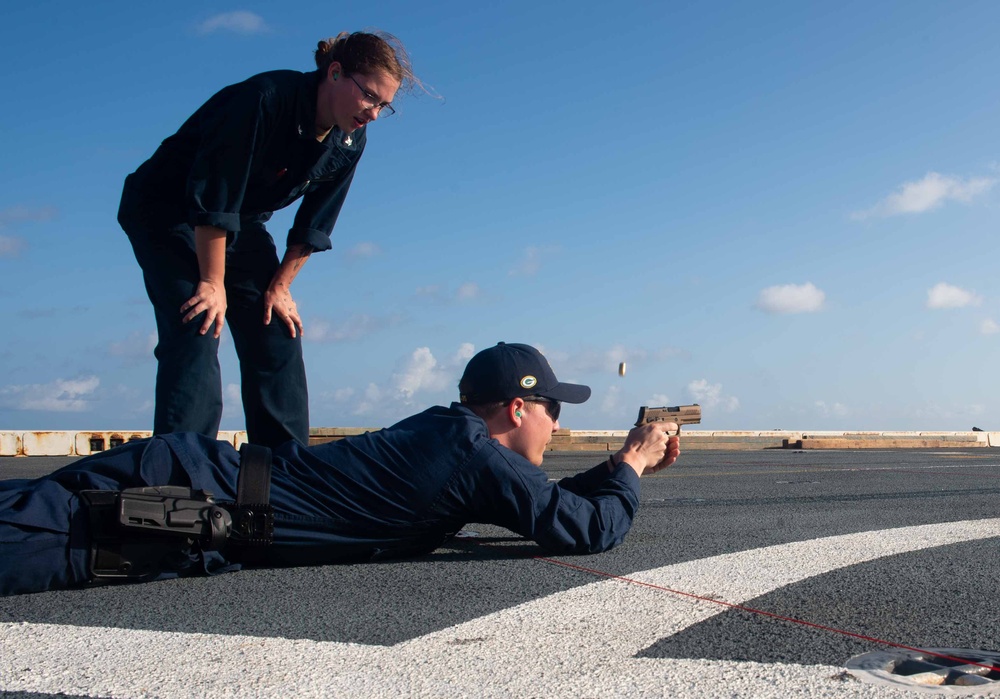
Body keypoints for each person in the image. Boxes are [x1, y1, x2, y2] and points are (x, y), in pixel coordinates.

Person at [0, 342, 680, 596]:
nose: (557, 423)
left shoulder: (457, 436)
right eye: (551, 408)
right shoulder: (473, 453)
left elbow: (545, 498)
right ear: (515, 406)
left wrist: (627, 466)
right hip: (174, 505)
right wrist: (631, 462)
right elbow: (586, 527)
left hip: (193, 487)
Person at [117, 31, 416, 449]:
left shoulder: (350, 139)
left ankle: (284, 475)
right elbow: (215, 198)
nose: (374, 114)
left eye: (385, 105)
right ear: (334, 73)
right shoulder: (263, 99)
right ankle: (181, 469)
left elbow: (315, 222)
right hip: (168, 208)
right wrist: (211, 282)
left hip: (240, 221)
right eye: (369, 96)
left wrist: (280, 288)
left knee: (277, 327)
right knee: (198, 321)